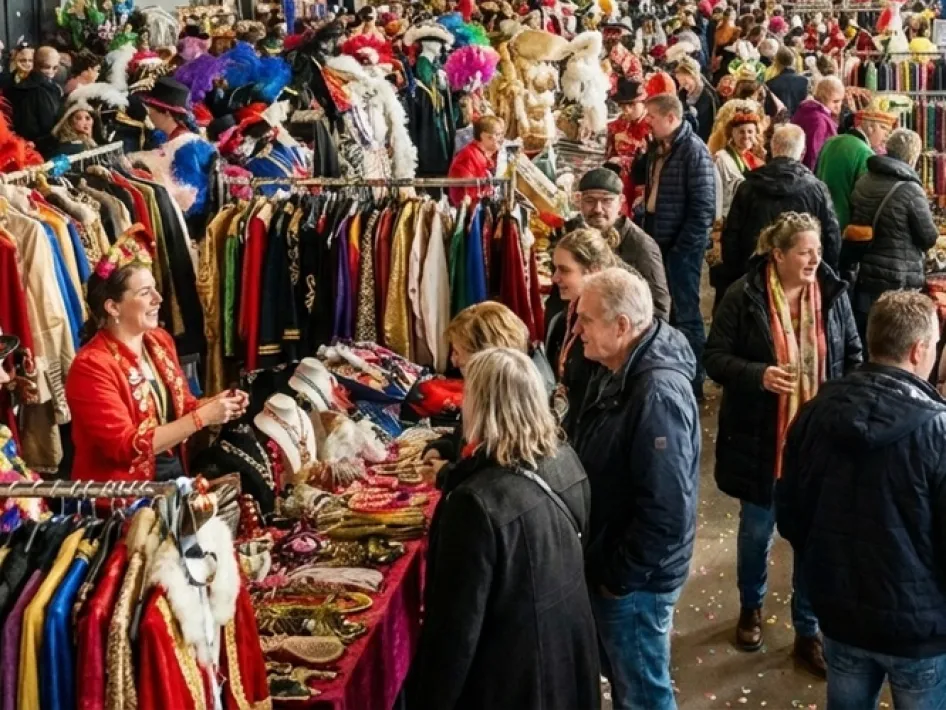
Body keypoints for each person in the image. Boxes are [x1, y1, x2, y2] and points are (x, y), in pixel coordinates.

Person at [704, 211, 862, 676]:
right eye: (805, 252)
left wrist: (839, 403)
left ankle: (807, 629)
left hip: (818, 444)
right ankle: (751, 607)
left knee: (813, 540)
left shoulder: (832, 296)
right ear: (778, 254)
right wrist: (758, 375)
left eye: (817, 251)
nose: (815, 259)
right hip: (762, 441)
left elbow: (852, 355)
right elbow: (714, 357)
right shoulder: (744, 295)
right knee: (757, 531)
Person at [776, 291, 946, 709]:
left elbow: (791, 514)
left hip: (840, 617)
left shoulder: (813, 413)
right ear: (918, 349)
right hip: (919, 631)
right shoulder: (938, 430)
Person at [410, 347, 601, 710]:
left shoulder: (475, 503)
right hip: (568, 654)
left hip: (511, 680)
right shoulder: (566, 460)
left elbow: (455, 631)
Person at [572, 267, 700, 710]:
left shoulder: (656, 393)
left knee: (643, 693)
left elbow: (666, 512)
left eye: (586, 319)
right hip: (622, 565)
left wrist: (618, 578)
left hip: (638, 581)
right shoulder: (623, 369)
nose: (577, 329)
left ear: (621, 326)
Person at [65, 228, 248, 483]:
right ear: (113, 307)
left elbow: (183, 408)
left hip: (170, 477)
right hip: (119, 499)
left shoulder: (158, 341)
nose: (158, 299)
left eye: (155, 289)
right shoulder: (91, 367)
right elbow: (126, 446)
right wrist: (202, 417)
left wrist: (216, 405)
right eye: (144, 293)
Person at [640, 93, 716, 399]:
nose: (648, 123)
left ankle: (694, 381)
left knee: (685, 313)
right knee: (665, 311)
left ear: (671, 118)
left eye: (652, 118)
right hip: (659, 240)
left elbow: (703, 210)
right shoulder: (659, 148)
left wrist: (682, 250)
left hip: (679, 248)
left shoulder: (694, 152)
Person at [718, 125, 841, 301]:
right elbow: (832, 238)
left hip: (754, 280)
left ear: (772, 148)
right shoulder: (816, 189)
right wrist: (825, 277)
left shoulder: (748, 187)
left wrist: (736, 276)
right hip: (802, 281)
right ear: (803, 151)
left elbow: (731, 236)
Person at [420, 301, 530, 485]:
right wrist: (443, 448)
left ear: (484, 355)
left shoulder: (510, 402)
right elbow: (466, 437)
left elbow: (492, 477)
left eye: (457, 352)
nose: (453, 361)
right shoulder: (497, 390)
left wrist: (447, 473)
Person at [846, 129, 939, 342]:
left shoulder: (865, 180)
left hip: (866, 272)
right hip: (899, 276)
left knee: (870, 337)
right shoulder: (911, 190)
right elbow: (928, 237)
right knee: (897, 339)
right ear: (912, 156)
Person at [572, 168, 671, 320]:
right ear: (579, 202)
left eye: (606, 201)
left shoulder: (641, 245)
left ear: (621, 202)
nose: (598, 209)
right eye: (590, 201)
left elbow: (659, 309)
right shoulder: (577, 237)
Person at [547, 229, 619, 432]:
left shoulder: (605, 330)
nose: (554, 278)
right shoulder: (564, 317)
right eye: (555, 269)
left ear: (593, 271)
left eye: (564, 270)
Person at [816, 100, 898, 235]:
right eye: (883, 128)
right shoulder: (865, 153)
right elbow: (866, 199)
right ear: (871, 127)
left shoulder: (831, 141)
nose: (886, 136)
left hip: (822, 221)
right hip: (846, 227)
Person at [8, 46, 63, 158]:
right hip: (35, 148)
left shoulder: (53, 88)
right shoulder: (29, 90)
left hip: (45, 144)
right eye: (46, 67)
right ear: (36, 65)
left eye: (55, 68)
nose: (50, 72)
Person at [605, 78, 651, 211]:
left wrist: (623, 161)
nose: (627, 110)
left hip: (640, 185)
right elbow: (611, 151)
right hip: (619, 181)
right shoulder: (619, 123)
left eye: (632, 105)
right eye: (623, 106)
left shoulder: (651, 127)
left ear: (643, 103)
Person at [447, 115, 505, 206]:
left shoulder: (479, 153)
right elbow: (468, 194)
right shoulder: (470, 156)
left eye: (501, 134)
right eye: (497, 135)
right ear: (484, 136)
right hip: (468, 209)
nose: (501, 139)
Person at [791, 76, 844, 171]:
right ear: (823, 98)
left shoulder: (805, 109)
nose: (839, 106)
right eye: (835, 101)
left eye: (841, 101)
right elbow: (813, 155)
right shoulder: (819, 120)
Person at [673, 55, 720, 142]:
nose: (685, 87)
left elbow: (711, 127)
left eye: (686, 82)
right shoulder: (683, 94)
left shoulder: (708, 97)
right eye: (681, 83)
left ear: (694, 76)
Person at [766, 46, 808, 117]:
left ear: (777, 62)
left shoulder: (770, 84)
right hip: (800, 122)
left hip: (780, 124)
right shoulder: (804, 81)